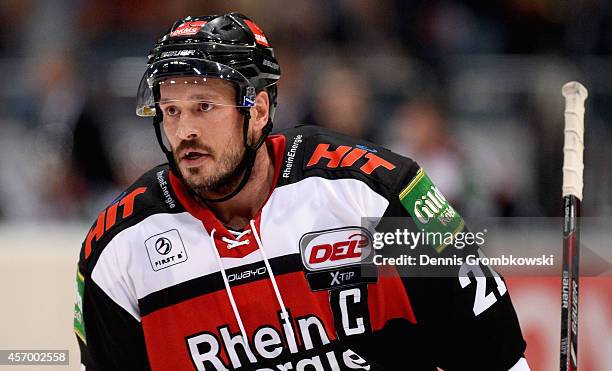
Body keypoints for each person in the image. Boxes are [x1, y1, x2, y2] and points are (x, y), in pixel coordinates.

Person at [74, 13, 530, 371]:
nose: (184, 130)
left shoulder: (374, 191)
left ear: (259, 109)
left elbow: (494, 353)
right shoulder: (115, 248)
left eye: (204, 107)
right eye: (171, 111)